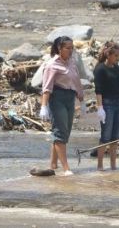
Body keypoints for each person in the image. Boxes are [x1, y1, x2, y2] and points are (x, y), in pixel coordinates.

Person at [39, 36, 84, 176]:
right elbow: (47, 87)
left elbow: (77, 82)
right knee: (60, 132)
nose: (71, 51)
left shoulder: (71, 62)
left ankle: (53, 164)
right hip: (57, 98)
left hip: (70, 98)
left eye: (72, 48)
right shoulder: (52, 64)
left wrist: (82, 101)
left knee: (66, 132)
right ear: (59, 48)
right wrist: (44, 106)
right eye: (68, 48)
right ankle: (66, 168)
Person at [94, 41, 119, 171]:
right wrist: (100, 108)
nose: (117, 58)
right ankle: (100, 165)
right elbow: (98, 90)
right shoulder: (100, 69)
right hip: (106, 104)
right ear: (108, 54)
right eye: (116, 55)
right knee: (105, 136)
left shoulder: (117, 69)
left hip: (118, 103)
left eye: (118, 55)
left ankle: (113, 166)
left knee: (115, 137)